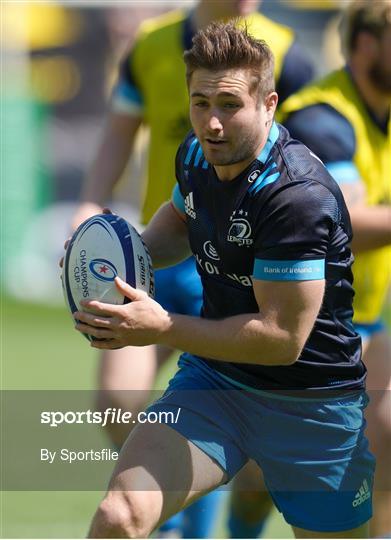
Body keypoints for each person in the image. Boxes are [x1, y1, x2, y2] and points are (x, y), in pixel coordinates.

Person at [70, 21, 375, 538]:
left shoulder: (297, 198)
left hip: (313, 405)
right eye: (200, 103)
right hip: (217, 385)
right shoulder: (196, 155)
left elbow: (281, 340)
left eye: (230, 105)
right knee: (118, 517)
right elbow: (177, 227)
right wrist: (113, 260)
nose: (212, 123)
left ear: (269, 103)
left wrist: (161, 327)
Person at [279, 1, 391, 536]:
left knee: (387, 436)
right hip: (301, 336)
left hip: (365, 327)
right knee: (259, 484)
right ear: (368, 43)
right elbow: (347, 223)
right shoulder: (320, 120)